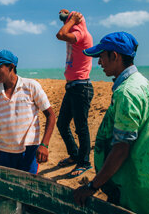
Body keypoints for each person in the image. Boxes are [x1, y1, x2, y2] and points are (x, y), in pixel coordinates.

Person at [74, 32, 149, 214]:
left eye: (102, 57)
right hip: (145, 174)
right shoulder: (144, 84)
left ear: (115, 56)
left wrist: (92, 186)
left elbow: (121, 148)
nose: (99, 62)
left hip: (133, 184)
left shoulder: (126, 92)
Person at [55, 9, 94, 177]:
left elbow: (60, 35)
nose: (66, 23)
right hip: (72, 87)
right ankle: (74, 155)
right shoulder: (74, 30)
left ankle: (84, 162)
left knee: (81, 127)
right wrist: (68, 15)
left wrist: (73, 20)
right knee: (62, 124)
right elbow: (64, 29)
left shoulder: (81, 33)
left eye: (69, 21)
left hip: (81, 87)